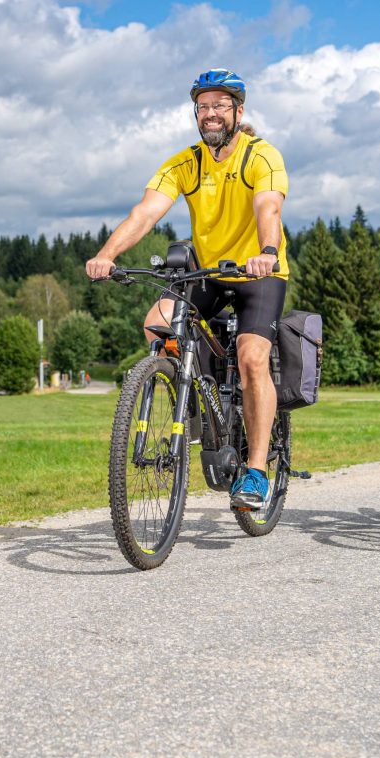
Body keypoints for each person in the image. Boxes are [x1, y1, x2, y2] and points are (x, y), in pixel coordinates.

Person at [85, 69, 289, 511]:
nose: (210, 114)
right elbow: (144, 214)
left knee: (252, 357)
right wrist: (107, 254)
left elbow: (268, 206)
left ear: (238, 111)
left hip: (259, 273)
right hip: (209, 272)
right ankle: (197, 404)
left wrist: (268, 250)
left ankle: (255, 471)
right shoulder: (184, 163)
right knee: (157, 324)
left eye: (219, 105)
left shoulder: (262, 156)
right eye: (203, 106)